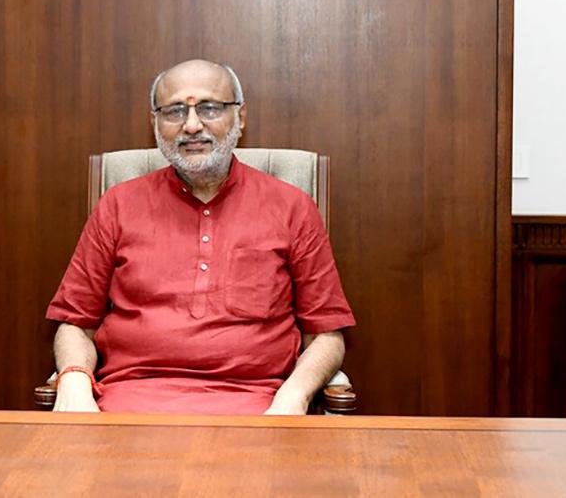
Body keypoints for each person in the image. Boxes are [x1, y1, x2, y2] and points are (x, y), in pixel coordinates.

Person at [46, 59, 355, 414]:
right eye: (174, 111)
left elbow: (326, 334)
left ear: (240, 118)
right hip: (129, 408)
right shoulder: (118, 204)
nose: (192, 125)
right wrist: (73, 380)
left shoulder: (292, 207)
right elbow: (75, 322)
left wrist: (294, 397)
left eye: (210, 108)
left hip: (258, 410)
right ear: (155, 123)